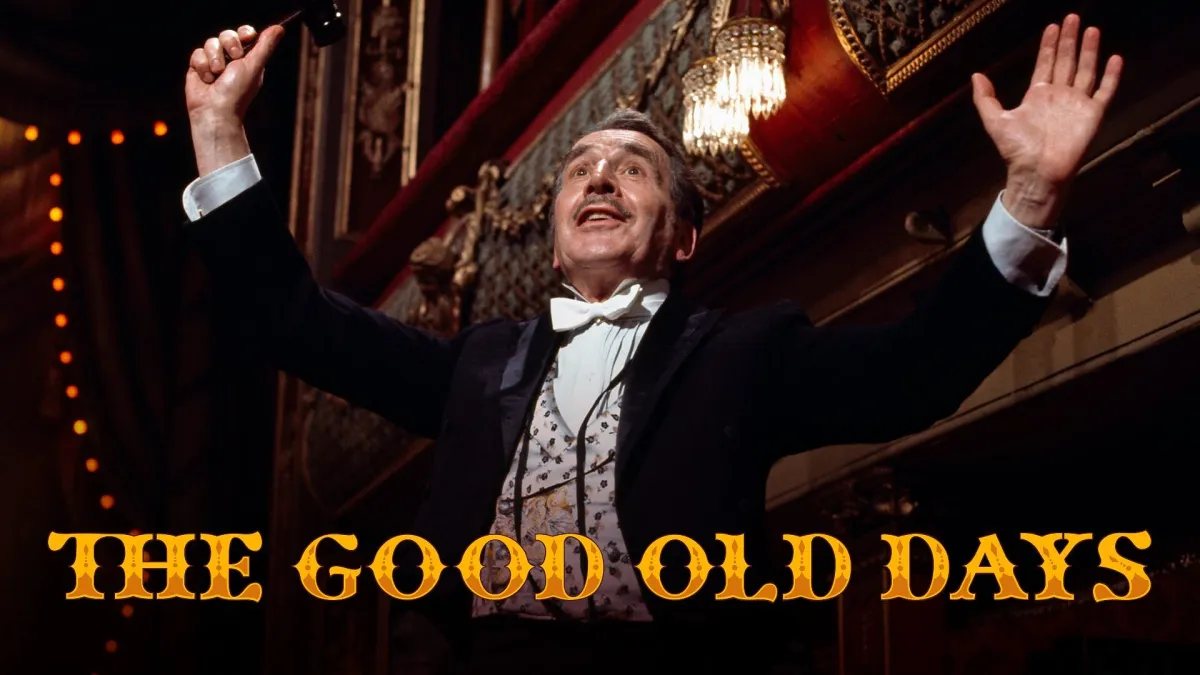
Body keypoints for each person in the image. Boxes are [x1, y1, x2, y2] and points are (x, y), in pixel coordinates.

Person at [183, 14, 1121, 673]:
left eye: (632, 170)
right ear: (554, 243)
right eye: (580, 170)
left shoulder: (747, 354)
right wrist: (220, 130)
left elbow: (916, 372)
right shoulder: (476, 362)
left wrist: (1030, 194)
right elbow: (294, 319)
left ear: (681, 238)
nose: (598, 180)